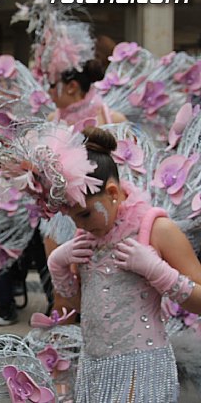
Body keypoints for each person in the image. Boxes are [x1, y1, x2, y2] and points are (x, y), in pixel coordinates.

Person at [44, 127, 201, 401]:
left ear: (113, 192)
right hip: (93, 370)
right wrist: (58, 267)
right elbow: (76, 309)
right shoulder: (86, 237)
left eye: (85, 214)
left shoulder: (157, 229)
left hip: (143, 370)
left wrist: (159, 273)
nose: (79, 226)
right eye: (71, 218)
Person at [48, 59, 126, 128]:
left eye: (52, 85)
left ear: (72, 87)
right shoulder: (52, 120)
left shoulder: (115, 121)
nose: (49, 91)